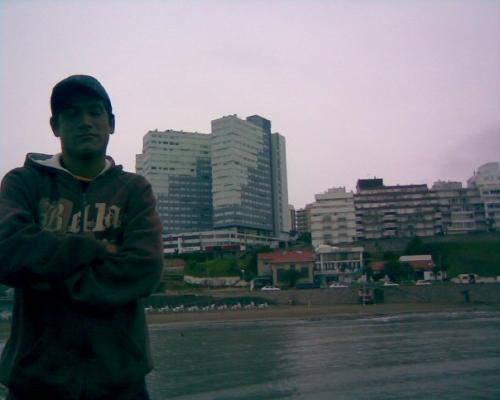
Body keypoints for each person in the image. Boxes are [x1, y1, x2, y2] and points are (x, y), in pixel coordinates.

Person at [0, 75, 163, 400]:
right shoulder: (24, 182)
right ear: (55, 126)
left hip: (121, 383)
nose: (85, 122)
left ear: (111, 123)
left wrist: (45, 274)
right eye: (72, 114)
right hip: (35, 383)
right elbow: (7, 252)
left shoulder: (134, 190)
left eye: (94, 112)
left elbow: (144, 270)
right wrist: (94, 249)